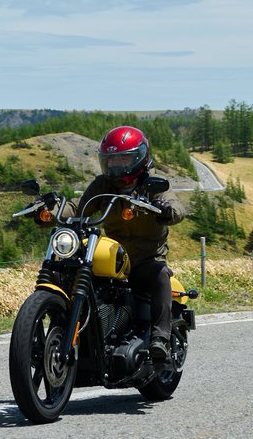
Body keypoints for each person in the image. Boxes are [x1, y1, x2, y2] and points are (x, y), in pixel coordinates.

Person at [62, 125, 186, 362]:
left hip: (147, 259)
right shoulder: (103, 186)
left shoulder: (151, 185)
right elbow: (80, 207)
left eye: (123, 158)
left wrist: (167, 210)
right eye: (111, 159)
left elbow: (175, 205)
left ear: (139, 157)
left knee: (160, 274)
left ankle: (160, 339)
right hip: (115, 258)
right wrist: (55, 211)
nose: (116, 164)